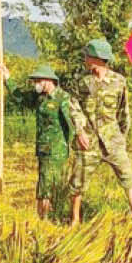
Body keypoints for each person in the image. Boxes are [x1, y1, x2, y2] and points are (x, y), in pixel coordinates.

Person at [67, 38, 132, 224]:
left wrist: (121, 138)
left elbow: (124, 111)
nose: (85, 59)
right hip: (88, 141)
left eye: (87, 56)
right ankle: (75, 220)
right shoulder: (81, 82)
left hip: (113, 141)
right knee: (78, 182)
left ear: (96, 58)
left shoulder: (119, 81)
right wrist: (79, 131)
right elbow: (73, 106)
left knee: (128, 177)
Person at [28, 64, 80, 220]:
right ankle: (50, 215)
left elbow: (73, 121)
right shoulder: (41, 98)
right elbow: (20, 97)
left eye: (38, 80)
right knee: (47, 183)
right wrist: (6, 78)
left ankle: (43, 218)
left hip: (56, 150)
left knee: (46, 185)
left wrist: (79, 137)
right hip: (43, 149)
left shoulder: (62, 98)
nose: (35, 84)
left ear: (48, 81)